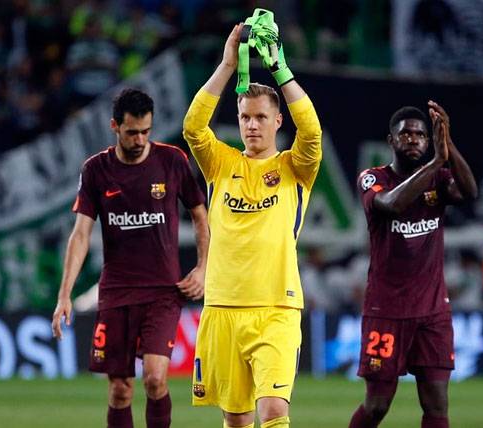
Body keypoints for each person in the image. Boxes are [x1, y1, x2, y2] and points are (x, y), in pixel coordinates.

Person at [182, 23, 322, 428]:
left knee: (274, 411)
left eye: (261, 117)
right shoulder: (221, 163)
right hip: (222, 306)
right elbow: (193, 127)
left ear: (279, 121)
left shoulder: (295, 168)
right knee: (236, 418)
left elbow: (311, 131)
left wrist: (280, 69)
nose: (252, 125)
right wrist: (228, 64)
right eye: (245, 117)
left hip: (276, 307)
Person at [51, 88, 209, 428]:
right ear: (114, 127)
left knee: (155, 379)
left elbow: (200, 216)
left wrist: (203, 268)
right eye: (132, 132)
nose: (139, 140)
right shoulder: (96, 170)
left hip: (164, 291)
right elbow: (80, 234)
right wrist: (65, 294)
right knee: (121, 390)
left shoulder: (171, 161)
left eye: (145, 132)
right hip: (117, 292)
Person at [350, 102, 478, 428]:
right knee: (377, 405)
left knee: (437, 404)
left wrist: (447, 145)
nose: (413, 139)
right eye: (405, 133)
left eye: (421, 134)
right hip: (386, 310)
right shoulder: (372, 178)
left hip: (433, 311)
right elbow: (392, 205)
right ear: (391, 140)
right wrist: (436, 161)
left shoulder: (439, 178)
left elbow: (469, 191)